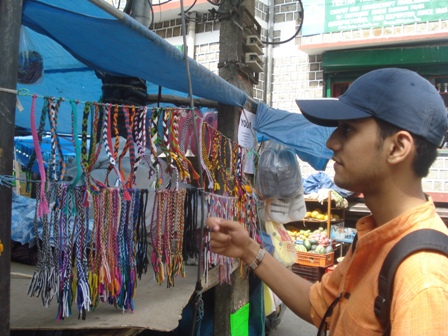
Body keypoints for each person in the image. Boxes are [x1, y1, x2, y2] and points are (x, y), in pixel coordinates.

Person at [207, 68, 448, 335]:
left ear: (398, 147)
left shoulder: (422, 278)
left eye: (347, 129)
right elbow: (319, 305)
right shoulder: (376, 236)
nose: (332, 142)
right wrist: (248, 250)